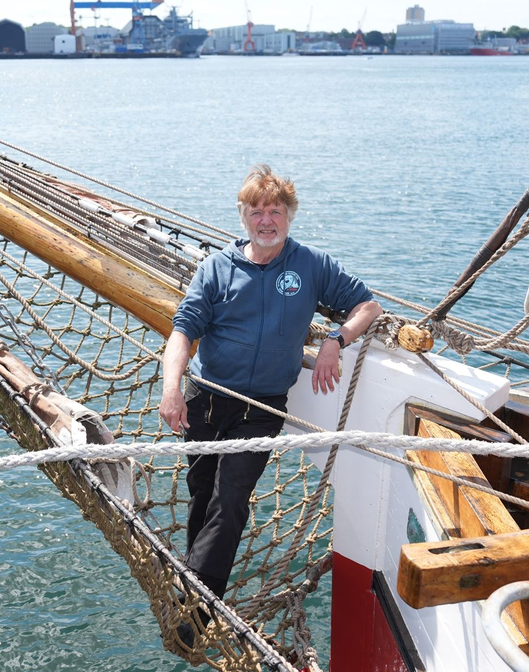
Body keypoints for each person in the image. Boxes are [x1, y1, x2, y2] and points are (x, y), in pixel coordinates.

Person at [159, 164, 382, 601]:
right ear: (243, 217)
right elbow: (183, 331)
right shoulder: (216, 268)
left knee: (230, 499)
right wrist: (171, 390)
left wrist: (336, 339)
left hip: (261, 408)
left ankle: (196, 604)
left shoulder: (311, 264)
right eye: (257, 211)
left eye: (276, 211)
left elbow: (368, 306)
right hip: (206, 399)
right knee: (202, 494)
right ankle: (193, 577)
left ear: (289, 216)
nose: (266, 221)